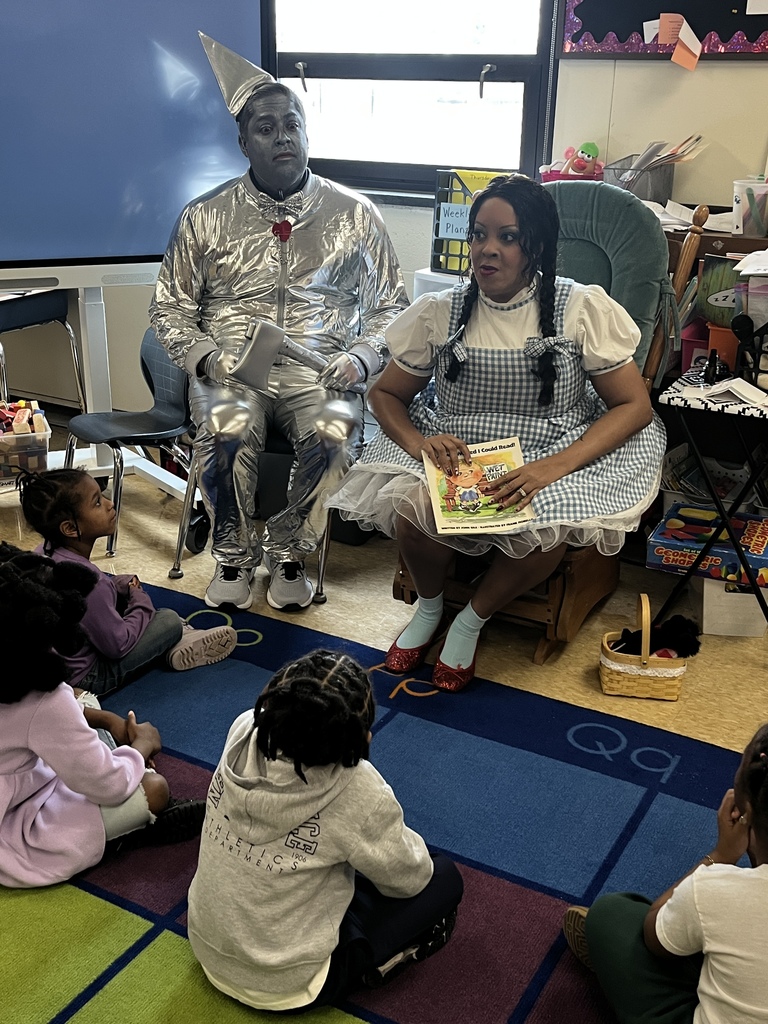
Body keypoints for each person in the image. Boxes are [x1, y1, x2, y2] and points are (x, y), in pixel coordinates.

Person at [328, 173, 666, 691]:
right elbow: (385, 394)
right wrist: (420, 446)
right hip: (461, 444)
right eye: (479, 234)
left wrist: (553, 467)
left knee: (546, 526)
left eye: (508, 237)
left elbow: (633, 406)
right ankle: (430, 607)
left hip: (554, 445)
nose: (488, 250)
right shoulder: (440, 312)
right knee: (413, 511)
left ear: (536, 246)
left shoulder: (578, 307)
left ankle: (472, 620)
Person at [150, 33, 408, 613]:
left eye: (291, 124)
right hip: (231, 369)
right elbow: (169, 308)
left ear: (306, 132)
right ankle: (234, 557)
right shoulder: (204, 216)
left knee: (337, 433)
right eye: (265, 128)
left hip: (322, 370)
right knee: (226, 433)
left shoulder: (355, 215)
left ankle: (289, 551)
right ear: (244, 141)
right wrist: (205, 359)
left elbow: (393, 307)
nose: (282, 136)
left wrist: (362, 359)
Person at [187, 649, 463, 1012]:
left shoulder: (243, 729)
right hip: (289, 986)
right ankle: (373, 962)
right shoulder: (359, 788)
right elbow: (409, 879)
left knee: (342, 861)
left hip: (206, 948)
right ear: (360, 741)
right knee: (443, 876)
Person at [0, 542, 205, 888]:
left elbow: (27, 727)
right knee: (154, 789)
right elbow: (108, 785)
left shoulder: (17, 677)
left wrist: (105, 719)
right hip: (14, 832)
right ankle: (124, 836)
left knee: (90, 714)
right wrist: (141, 746)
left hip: (16, 786)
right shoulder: (44, 697)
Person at [562, 722, 768, 1024]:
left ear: (746, 808)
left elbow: (653, 933)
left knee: (611, 915)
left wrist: (721, 856)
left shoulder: (716, 890)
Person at [17, 468, 237, 696]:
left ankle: (181, 637)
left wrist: (114, 587)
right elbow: (117, 646)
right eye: (97, 503)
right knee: (168, 619)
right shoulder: (91, 585)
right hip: (89, 678)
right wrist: (139, 599)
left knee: (118, 597)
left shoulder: (40, 554)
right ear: (71, 528)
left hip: (52, 668)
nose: (109, 503)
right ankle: (179, 634)